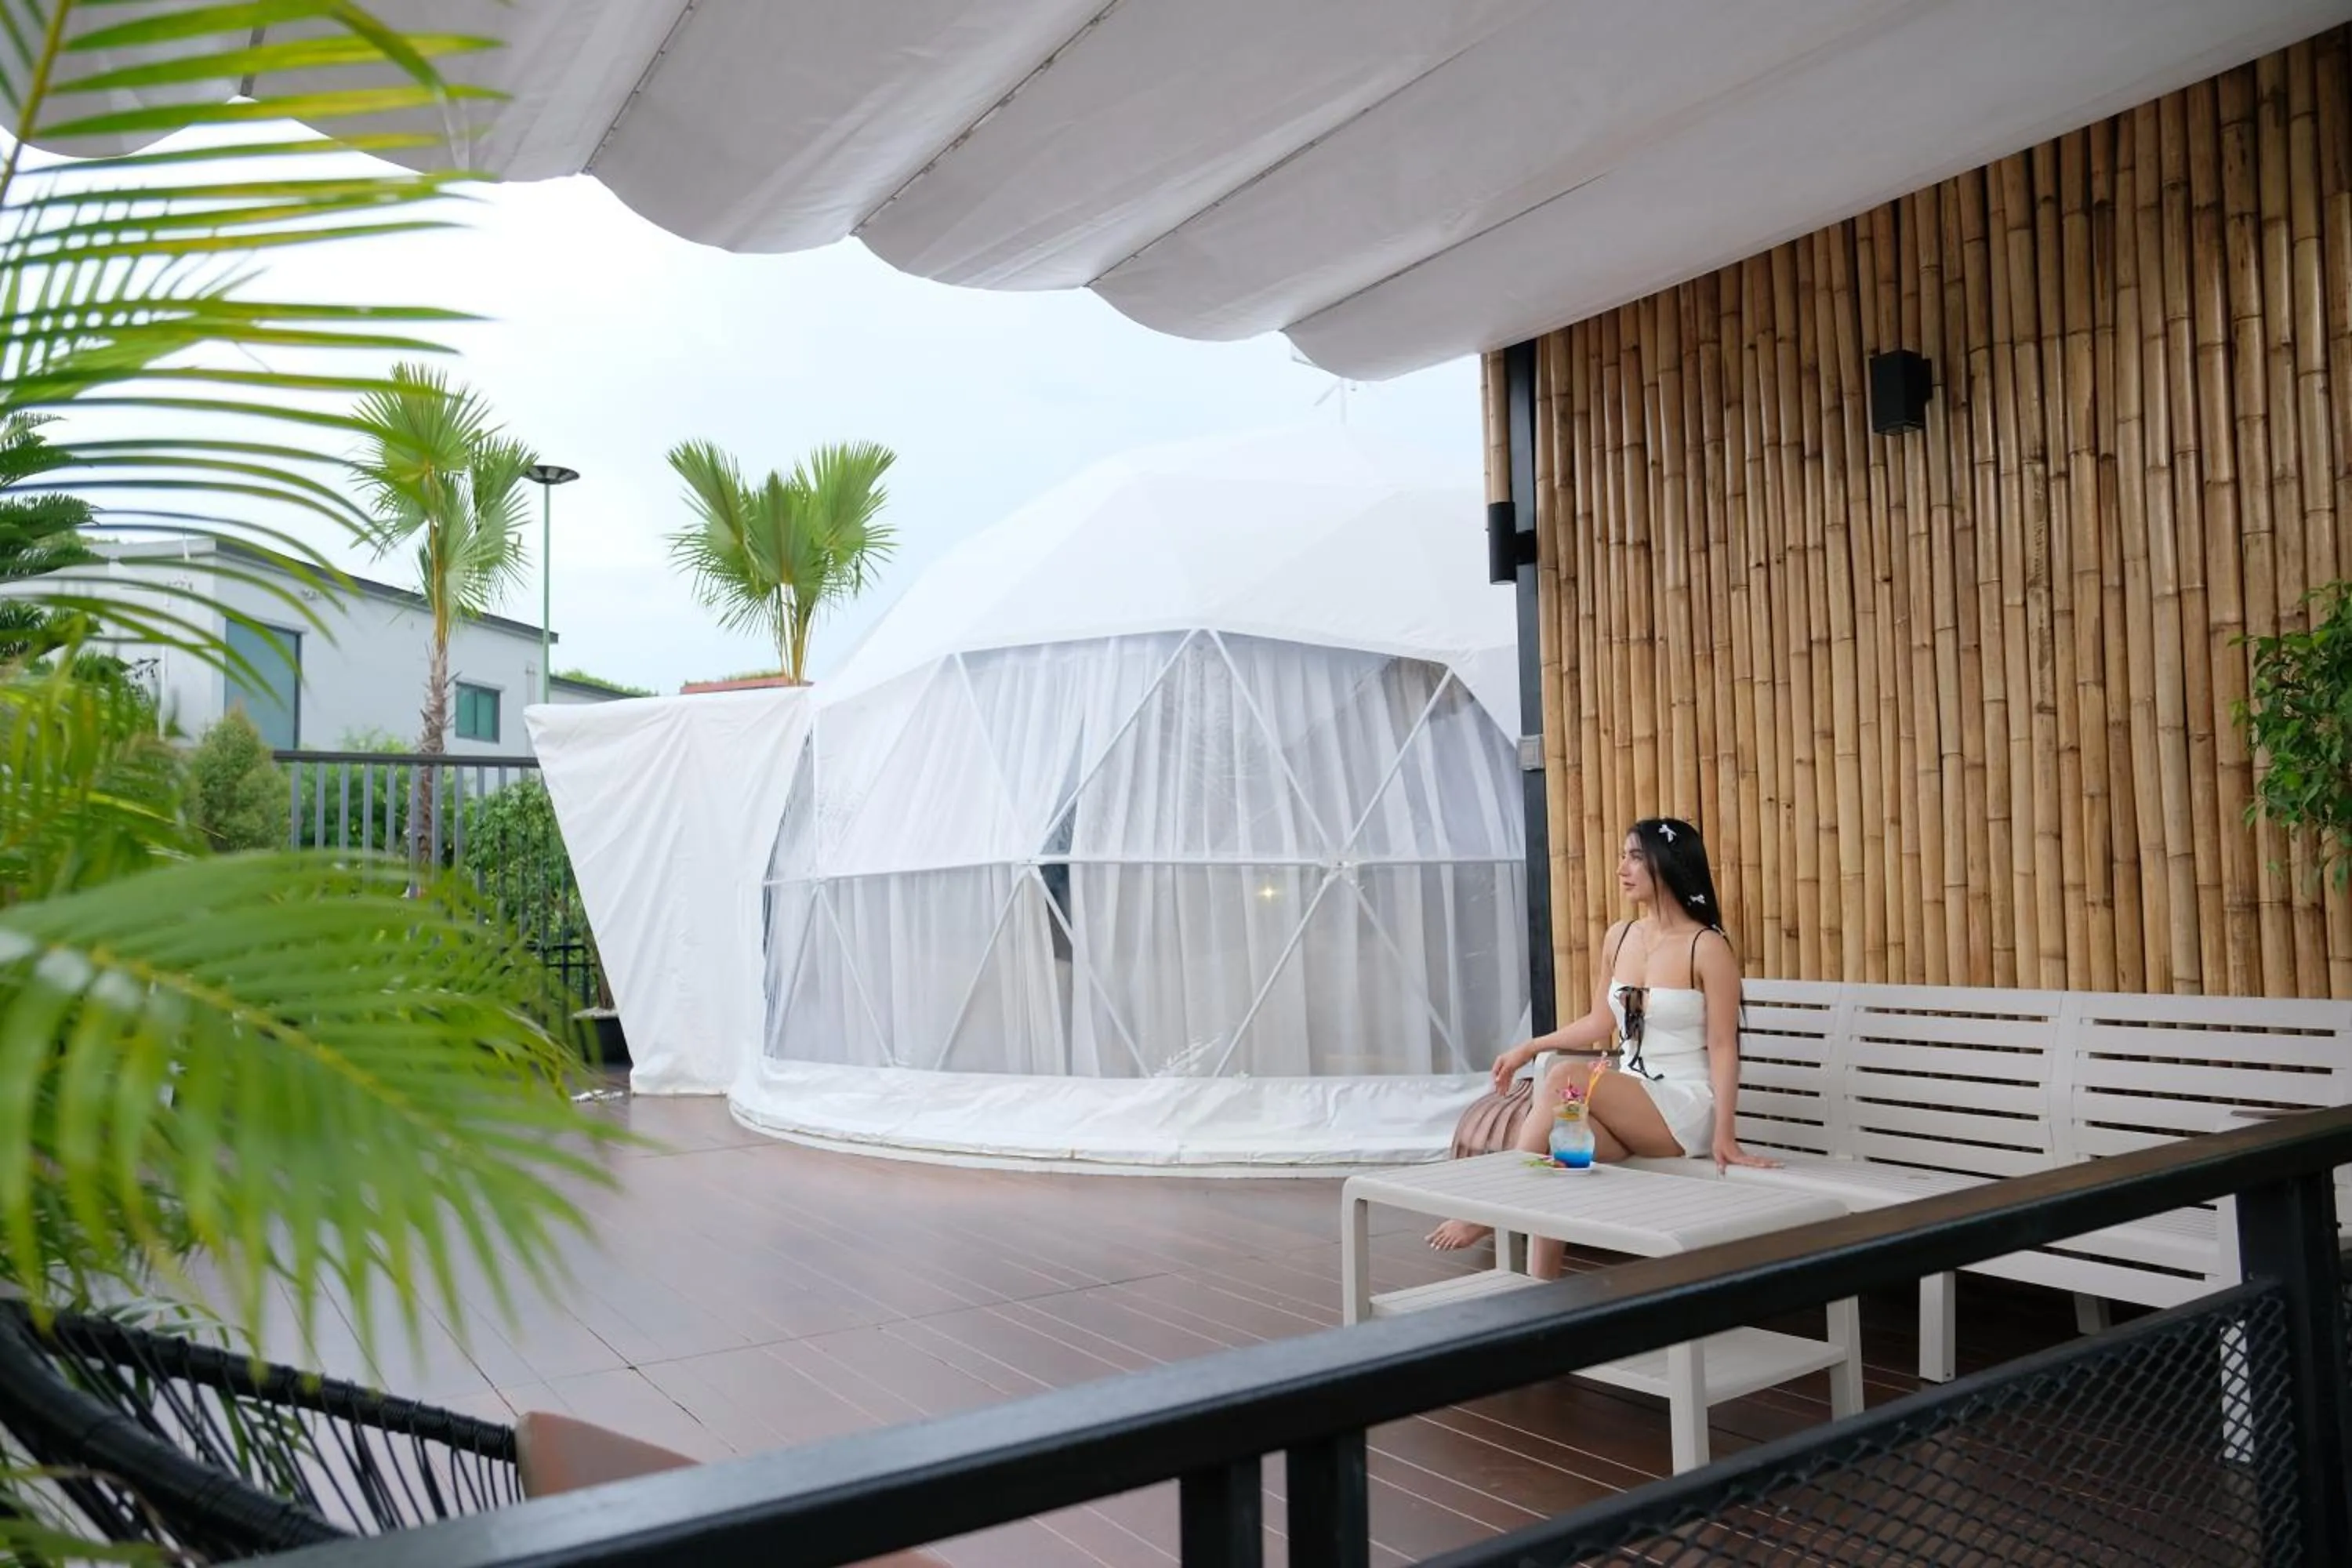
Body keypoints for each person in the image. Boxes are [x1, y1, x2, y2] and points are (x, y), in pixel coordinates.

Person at [1427, 817, 1777, 1274]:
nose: (1622, 869)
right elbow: (1600, 1021)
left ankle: (1488, 1208)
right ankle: (1542, 1290)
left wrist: (1724, 1135)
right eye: (1622, 857)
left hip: (1681, 1107)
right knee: (1560, 1147)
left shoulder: (1706, 947)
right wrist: (1529, 1047)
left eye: (1634, 857)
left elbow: (1723, 1047)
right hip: (1631, 1096)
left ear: (1666, 863)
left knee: (1566, 1078)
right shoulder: (1621, 936)